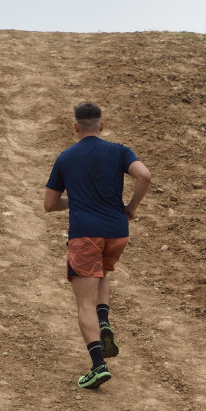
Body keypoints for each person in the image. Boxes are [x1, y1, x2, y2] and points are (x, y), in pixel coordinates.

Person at [44, 101, 152, 389]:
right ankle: (103, 321)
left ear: (76, 127)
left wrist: (79, 200)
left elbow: (49, 204)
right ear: (101, 125)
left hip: (84, 235)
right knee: (102, 272)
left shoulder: (66, 158)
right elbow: (144, 175)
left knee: (84, 304)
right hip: (117, 232)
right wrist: (131, 206)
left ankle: (97, 365)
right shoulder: (119, 151)